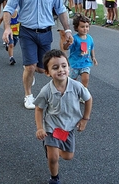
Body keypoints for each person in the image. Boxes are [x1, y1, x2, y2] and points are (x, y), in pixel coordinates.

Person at [2, 0, 73, 110]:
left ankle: (32, 71)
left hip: (46, 32)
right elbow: (8, 8)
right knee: (30, 66)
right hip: (27, 32)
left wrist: (67, 30)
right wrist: (7, 28)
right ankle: (28, 95)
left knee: (43, 69)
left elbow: (61, 9)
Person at [33, 49, 92, 184]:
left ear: (69, 67)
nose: (61, 70)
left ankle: (53, 149)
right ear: (47, 73)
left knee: (68, 156)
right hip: (52, 127)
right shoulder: (46, 91)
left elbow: (88, 99)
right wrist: (40, 128)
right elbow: (39, 109)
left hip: (68, 127)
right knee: (53, 158)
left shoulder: (77, 86)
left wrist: (85, 119)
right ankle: (54, 178)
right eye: (55, 67)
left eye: (64, 66)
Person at [63, 13, 97, 89]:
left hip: (85, 63)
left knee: (86, 78)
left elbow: (91, 48)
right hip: (74, 64)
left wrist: (93, 57)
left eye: (87, 26)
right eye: (82, 27)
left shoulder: (90, 38)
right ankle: (69, 92)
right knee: (71, 81)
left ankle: (84, 92)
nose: (85, 29)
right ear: (76, 27)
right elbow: (65, 48)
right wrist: (68, 43)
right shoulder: (74, 38)